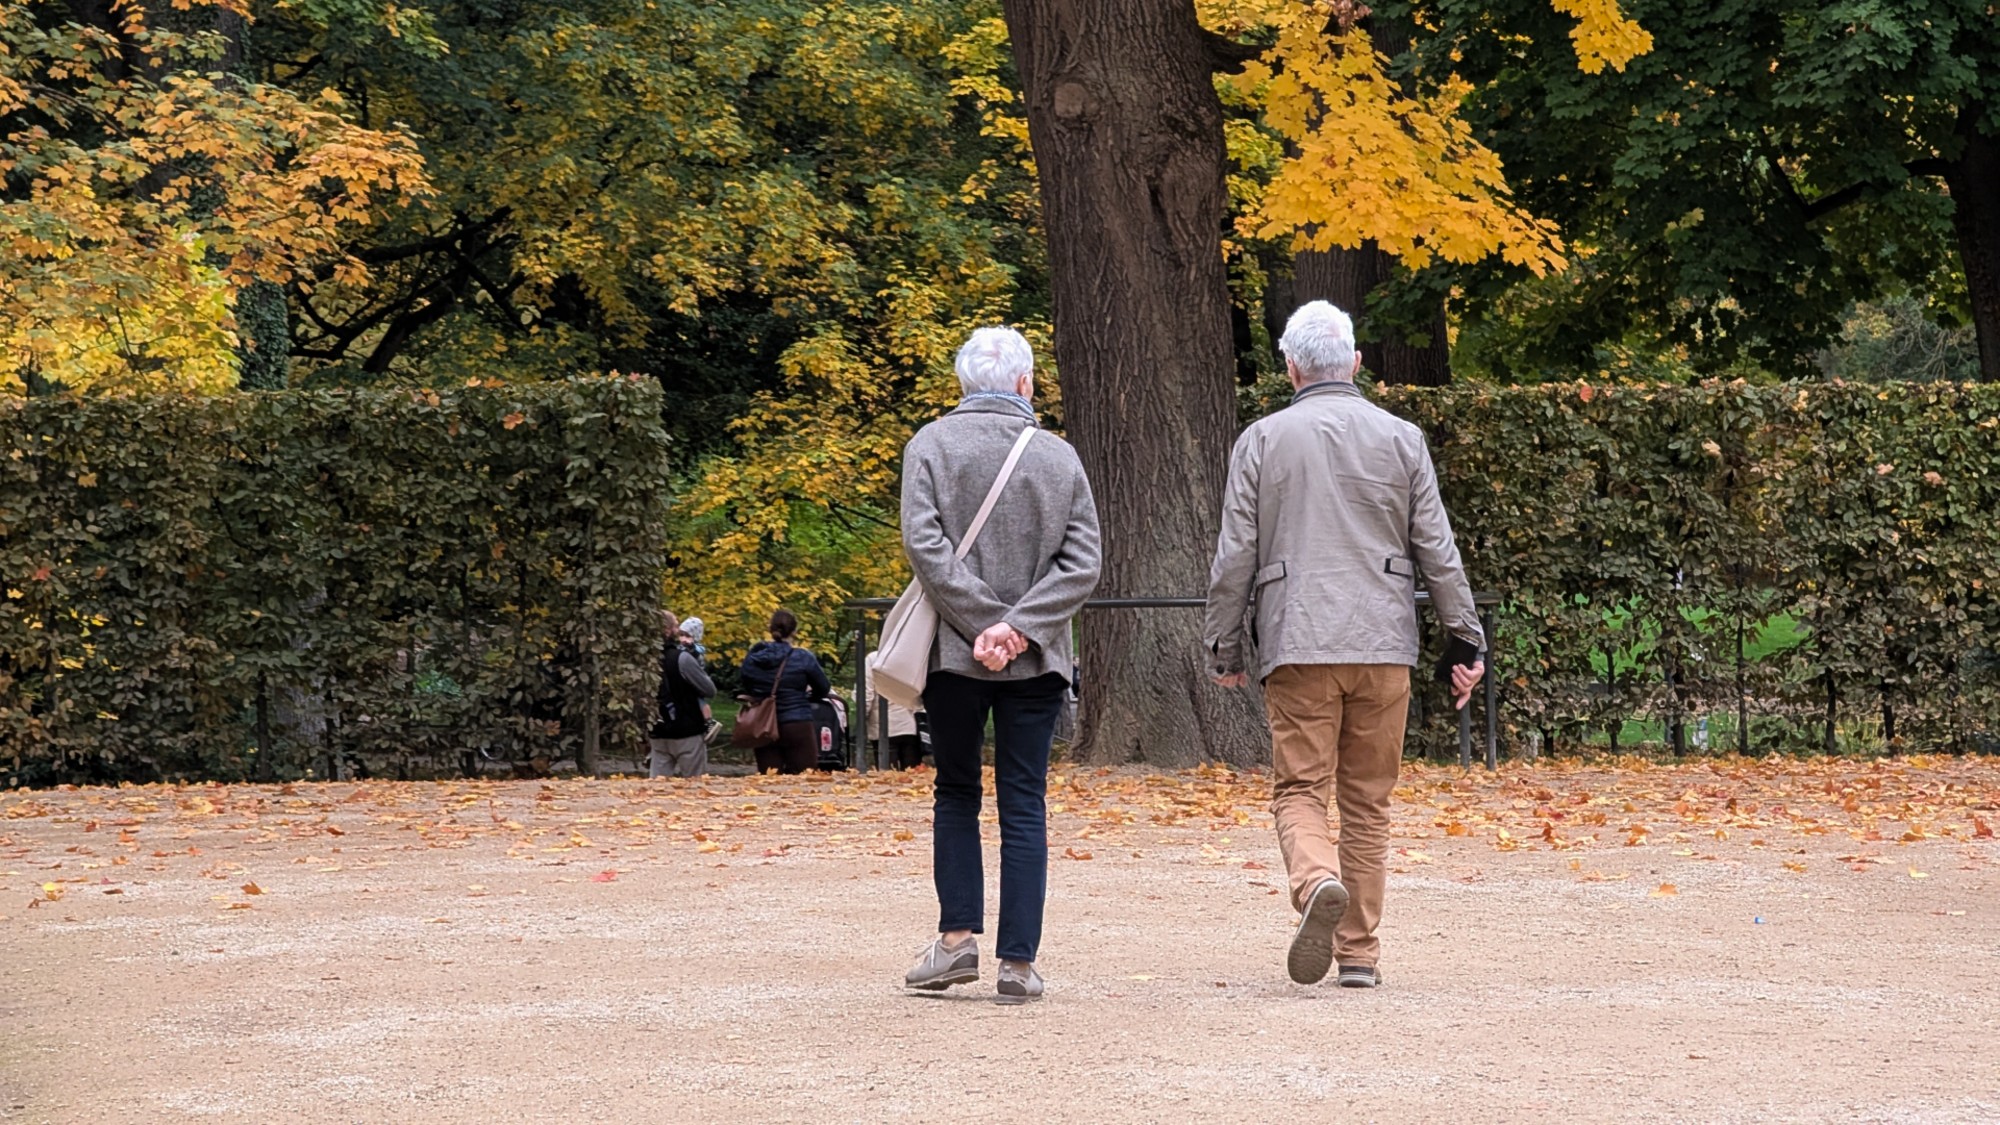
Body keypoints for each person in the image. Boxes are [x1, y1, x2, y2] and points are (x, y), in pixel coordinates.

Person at [1203, 300, 1486, 990]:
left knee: (1300, 786)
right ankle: (1358, 951)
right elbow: (1437, 549)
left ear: (1291, 366)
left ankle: (1316, 879)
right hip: (1383, 640)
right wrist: (1465, 636)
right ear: (1356, 363)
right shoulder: (1401, 437)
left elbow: (1235, 553)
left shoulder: (1263, 439)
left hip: (1299, 638)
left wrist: (1225, 645)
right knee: (1368, 798)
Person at [898, 326, 1101, 1005]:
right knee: (1025, 801)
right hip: (1037, 657)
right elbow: (1084, 561)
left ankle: (956, 941)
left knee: (955, 791)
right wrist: (1017, 627)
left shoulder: (929, 445)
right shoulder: (1059, 457)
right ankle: (1018, 963)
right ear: (1024, 384)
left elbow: (924, 544)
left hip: (953, 655)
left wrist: (980, 621)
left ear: (962, 385)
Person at [735, 609, 832, 774]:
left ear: (770, 629)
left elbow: (745, 684)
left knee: (769, 776)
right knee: (806, 775)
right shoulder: (803, 657)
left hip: (762, 723)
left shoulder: (754, 658)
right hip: (797, 720)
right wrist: (806, 697)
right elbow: (823, 688)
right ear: (794, 631)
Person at [650, 611, 716, 778]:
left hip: (658, 730)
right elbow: (709, 690)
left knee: (656, 789)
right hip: (687, 731)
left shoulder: (646, 659)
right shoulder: (682, 658)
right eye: (676, 625)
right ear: (667, 630)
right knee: (694, 786)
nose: (678, 630)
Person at [863, 664, 924, 769]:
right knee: (913, 773)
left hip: (882, 728)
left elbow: (865, 695)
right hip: (909, 726)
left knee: (887, 774)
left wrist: (862, 719)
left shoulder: (873, 659)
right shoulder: (908, 658)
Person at [678, 617, 722, 744]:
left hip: (693, 681)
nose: (683, 639)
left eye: (687, 636)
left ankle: (709, 722)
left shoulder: (693, 650)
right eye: (681, 635)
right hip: (688, 680)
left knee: (699, 701)